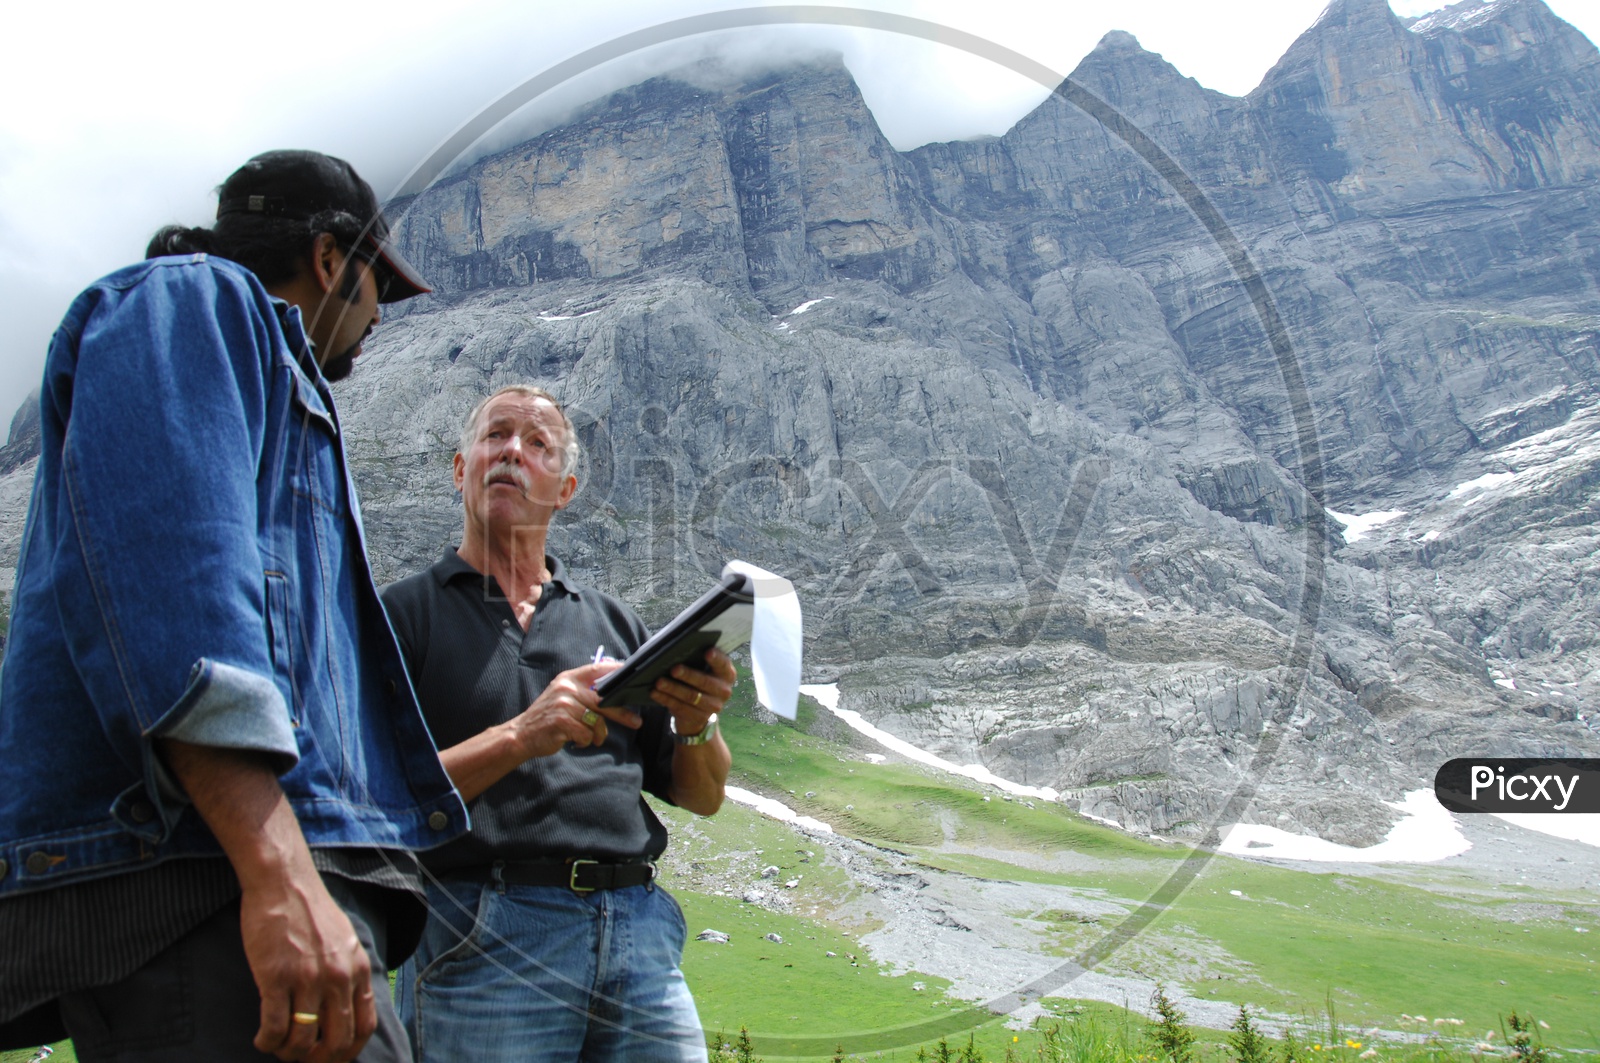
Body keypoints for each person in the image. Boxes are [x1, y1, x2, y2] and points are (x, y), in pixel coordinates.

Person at [0, 150, 467, 1063]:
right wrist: (279, 873)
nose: (376, 325)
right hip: (214, 890)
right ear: (333, 261)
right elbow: (182, 595)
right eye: (379, 288)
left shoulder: (249, 354)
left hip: (247, 885)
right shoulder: (189, 302)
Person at [381, 384, 737, 1063]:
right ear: (461, 469)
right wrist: (524, 734)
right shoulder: (402, 617)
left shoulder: (616, 625)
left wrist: (697, 722)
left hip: (640, 933)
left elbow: (703, 795)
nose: (513, 450)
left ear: (565, 488)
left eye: (537, 443)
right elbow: (372, 798)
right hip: (483, 933)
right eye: (495, 435)